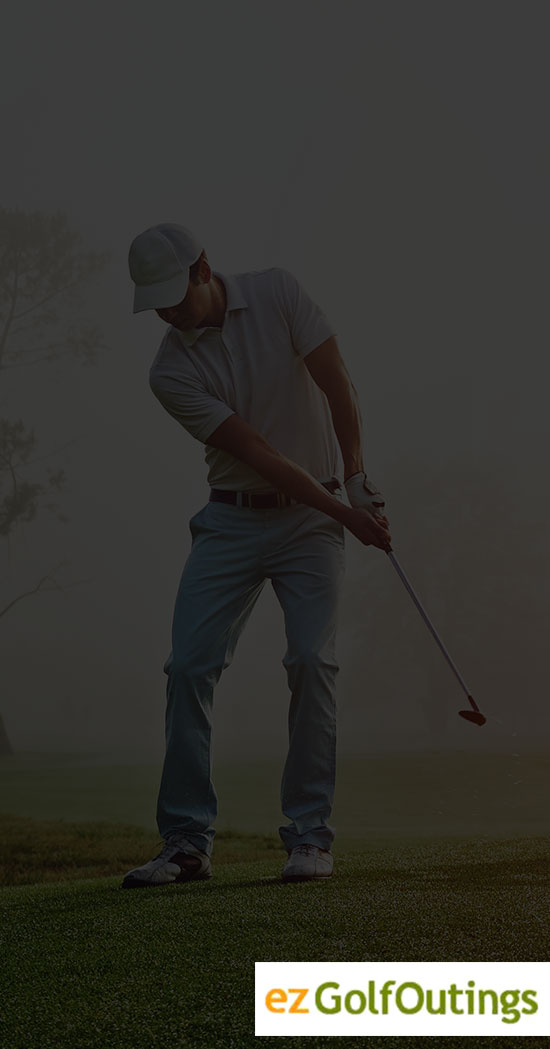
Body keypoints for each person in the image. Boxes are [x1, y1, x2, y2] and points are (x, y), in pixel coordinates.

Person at [123, 222, 392, 888]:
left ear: (203, 268)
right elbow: (260, 454)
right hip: (231, 523)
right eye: (154, 303)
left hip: (311, 524)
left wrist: (357, 475)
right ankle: (186, 844)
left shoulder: (278, 293)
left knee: (311, 660)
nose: (166, 312)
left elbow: (337, 382)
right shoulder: (169, 370)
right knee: (189, 667)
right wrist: (348, 515)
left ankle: (310, 837)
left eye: (173, 295)